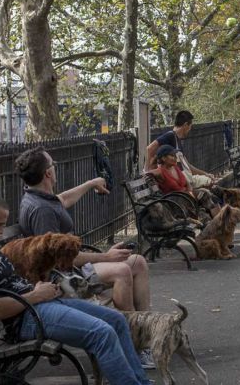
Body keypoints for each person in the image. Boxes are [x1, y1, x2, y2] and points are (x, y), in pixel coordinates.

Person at [0, 192, 153, 385]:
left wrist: (41, 290)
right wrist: (34, 295)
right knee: (103, 334)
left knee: (116, 321)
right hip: (22, 319)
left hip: (37, 304)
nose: (1, 232)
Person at [14, 147, 155, 368]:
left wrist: (90, 184)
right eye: (53, 165)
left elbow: (64, 199)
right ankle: (134, 346)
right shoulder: (42, 211)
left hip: (73, 271)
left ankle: (145, 333)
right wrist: (106, 257)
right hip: (62, 281)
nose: (55, 167)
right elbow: (60, 260)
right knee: (122, 270)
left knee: (138, 262)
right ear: (48, 174)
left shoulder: (42, 197)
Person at [145, 111, 216, 188]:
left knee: (210, 181)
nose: (190, 130)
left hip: (185, 178)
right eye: (190, 126)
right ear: (185, 125)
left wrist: (205, 174)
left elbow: (188, 165)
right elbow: (150, 148)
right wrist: (148, 170)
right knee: (209, 184)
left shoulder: (177, 140)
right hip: (178, 182)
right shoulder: (170, 135)